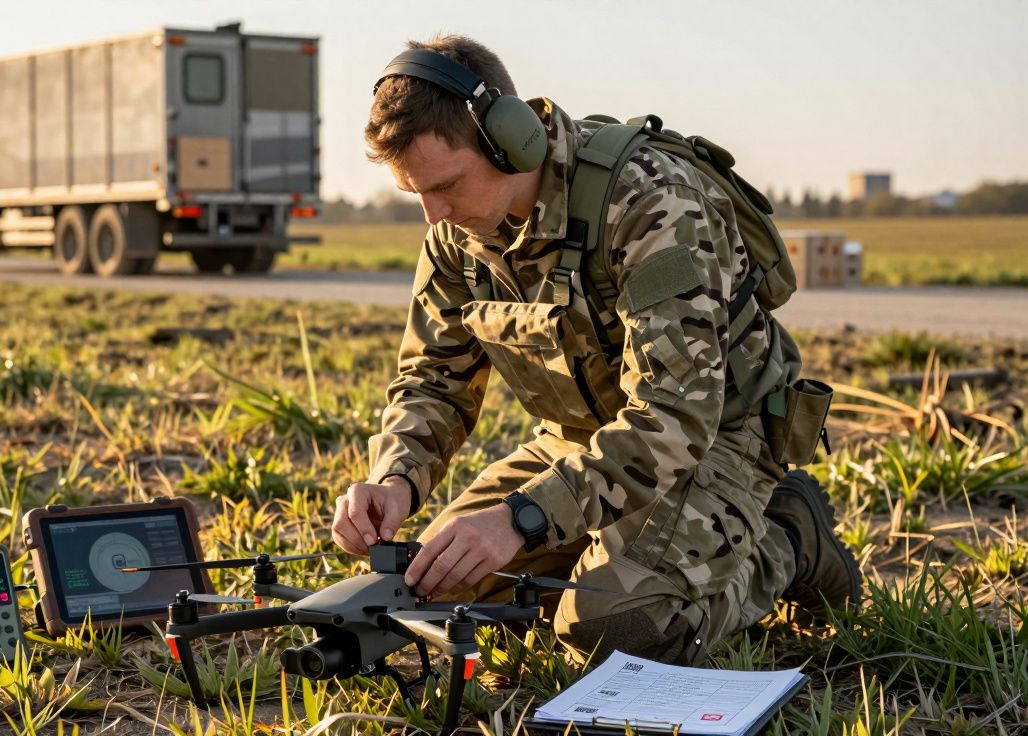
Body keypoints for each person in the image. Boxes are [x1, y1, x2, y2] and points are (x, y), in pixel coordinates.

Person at [331, 34, 861, 665]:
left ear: (510, 140)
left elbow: (676, 417)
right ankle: (609, 555)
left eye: (446, 185)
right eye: (414, 192)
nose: (432, 214)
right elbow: (432, 379)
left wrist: (522, 518)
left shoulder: (650, 204)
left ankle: (787, 539)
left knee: (618, 628)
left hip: (717, 435)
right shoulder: (456, 233)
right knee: (437, 588)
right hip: (585, 442)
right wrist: (395, 477)